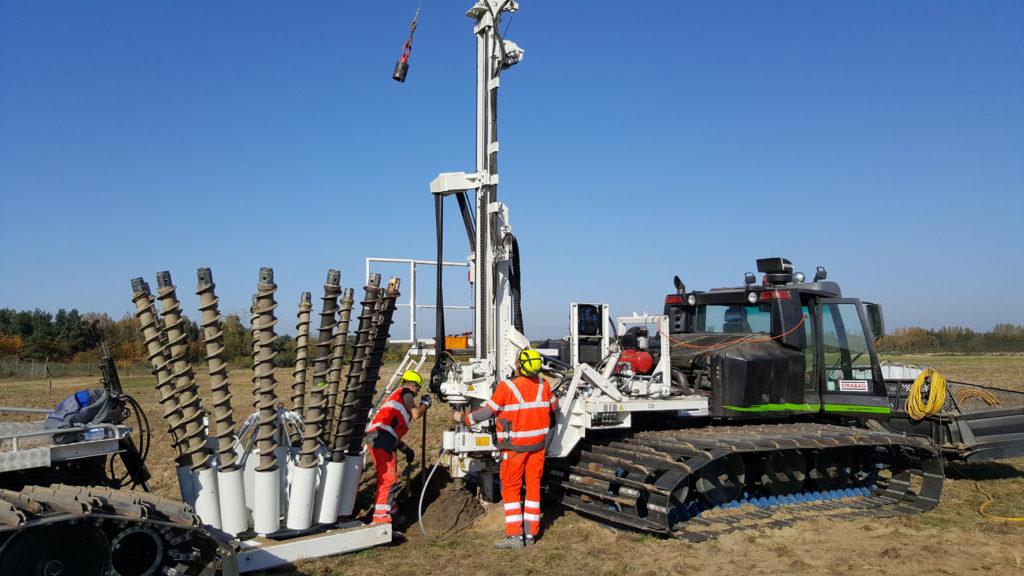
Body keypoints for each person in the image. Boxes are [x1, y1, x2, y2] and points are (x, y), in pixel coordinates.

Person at [453, 349, 556, 549]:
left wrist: (464, 419)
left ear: (518, 365)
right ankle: (531, 533)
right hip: (537, 448)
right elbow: (554, 409)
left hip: (514, 449)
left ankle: (515, 535)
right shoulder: (544, 386)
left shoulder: (506, 386)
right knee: (533, 487)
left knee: (511, 489)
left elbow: (487, 412)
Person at [366, 369, 432, 525]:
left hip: (379, 437)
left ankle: (392, 515)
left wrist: (404, 449)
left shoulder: (396, 401)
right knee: (388, 479)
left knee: (387, 477)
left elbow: (391, 429)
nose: (416, 394)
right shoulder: (404, 392)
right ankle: (381, 521)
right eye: (417, 389)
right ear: (412, 385)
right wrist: (425, 405)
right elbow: (415, 414)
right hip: (382, 438)